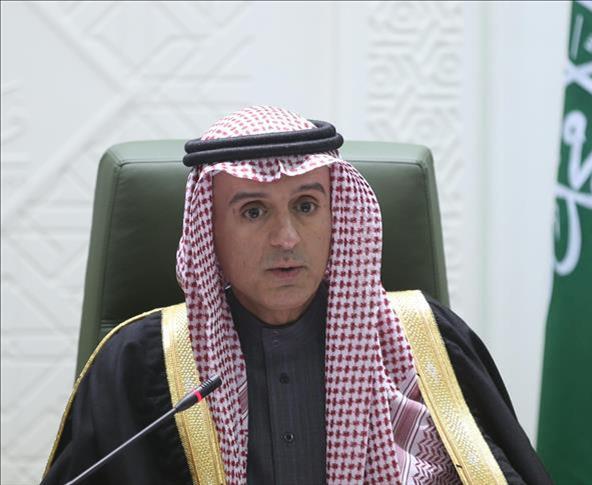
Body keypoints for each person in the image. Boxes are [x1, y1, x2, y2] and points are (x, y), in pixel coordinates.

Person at [41, 106, 552, 485]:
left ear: (336, 217)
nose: (286, 238)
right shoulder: (140, 366)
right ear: (209, 232)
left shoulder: (426, 343)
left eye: (306, 206)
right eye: (254, 211)